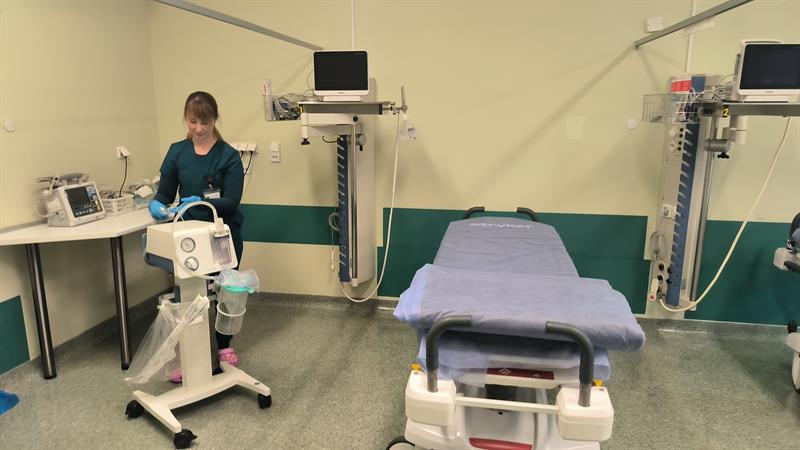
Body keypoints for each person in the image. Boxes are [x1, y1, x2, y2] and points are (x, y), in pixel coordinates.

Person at [149, 91, 245, 382]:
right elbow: (165, 194)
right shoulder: (177, 152)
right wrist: (157, 205)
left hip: (221, 234)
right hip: (188, 236)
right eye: (193, 122)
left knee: (224, 293)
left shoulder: (228, 156)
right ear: (186, 120)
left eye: (205, 122)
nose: (199, 128)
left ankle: (224, 346)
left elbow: (232, 201)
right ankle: (193, 356)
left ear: (215, 119)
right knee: (191, 294)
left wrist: (200, 201)